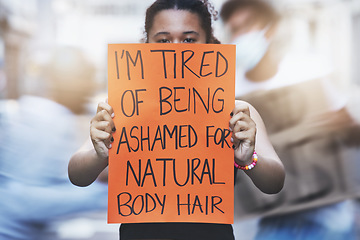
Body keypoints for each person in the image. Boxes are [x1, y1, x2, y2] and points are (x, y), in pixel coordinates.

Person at [68, 1, 285, 239]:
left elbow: (274, 182)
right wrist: (99, 153)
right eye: (163, 40)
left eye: (189, 39)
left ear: (210, 44)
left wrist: (247, 159)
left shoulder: (236, 111)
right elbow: (77, 176)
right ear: (146, 45)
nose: (176, 49)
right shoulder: (122, 106)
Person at [220, 0, 358, 239]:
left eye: (248, 25)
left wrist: (337, 127)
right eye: (234, 29)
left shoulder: (307, 72)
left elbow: (355, 133)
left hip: (329, 215)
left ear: (270, 29)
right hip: (272, 218)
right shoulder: (229, 93)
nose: (240, 35)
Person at [0, 47, 108, 240]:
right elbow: (24, 201)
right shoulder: (45, 119)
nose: (89, 88)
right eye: (85, 80)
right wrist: (105, 195)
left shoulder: (47, 113)